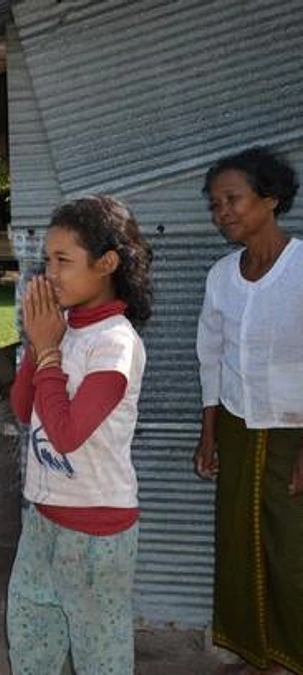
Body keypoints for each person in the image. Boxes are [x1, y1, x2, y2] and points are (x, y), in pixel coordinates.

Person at [7, 195, 153, 674]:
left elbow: (67, 435)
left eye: (63, 260)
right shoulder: (62, 327)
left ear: (106, 263)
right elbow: (24, 409)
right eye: (47, 261)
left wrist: (48, 350)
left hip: (96, 529)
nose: (50, 273)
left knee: (100, 652)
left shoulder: (116, 343)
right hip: (44, 516)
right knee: (31, 636)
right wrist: (38, 345)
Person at [193, 146, 303, 675]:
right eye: (215, 205)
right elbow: (211, 356)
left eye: (233, 199)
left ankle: (292, 657)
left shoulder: (301, 268)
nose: (223, 213)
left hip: (291, 436)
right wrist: (208, 434)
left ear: (271, 198)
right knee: (239, 544)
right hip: (237, 429)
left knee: (291, 549)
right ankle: (256, 654)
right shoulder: (222, 276)